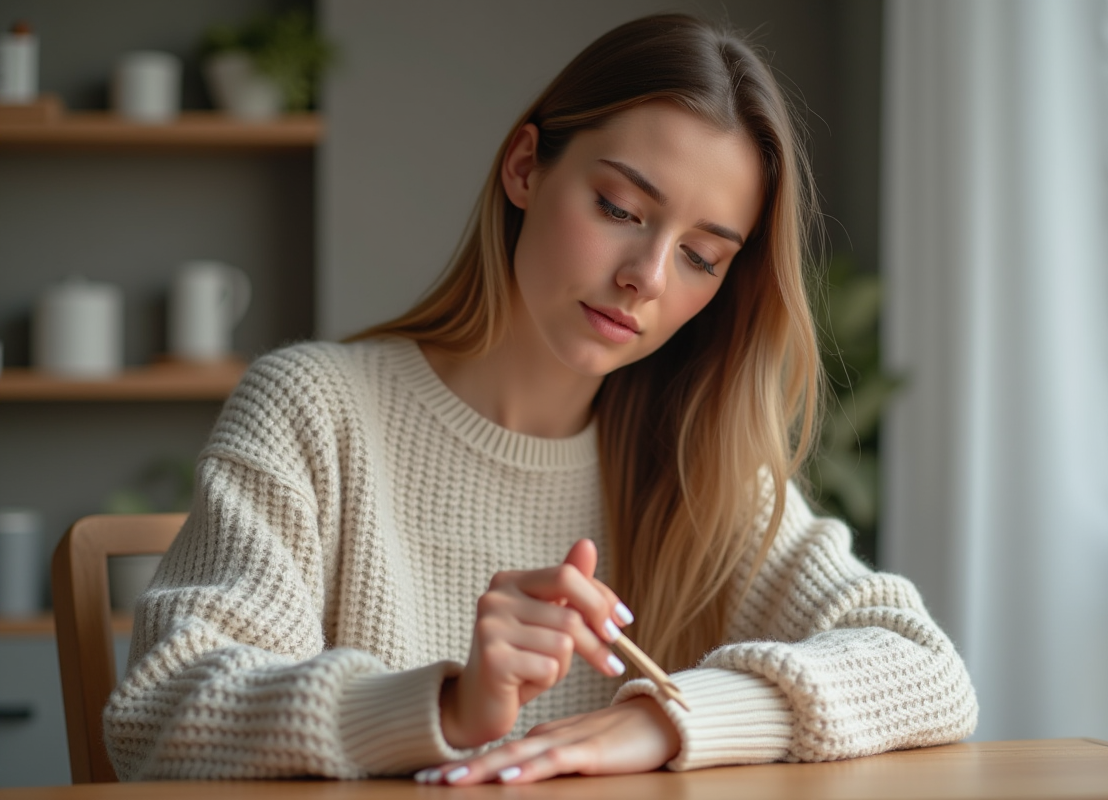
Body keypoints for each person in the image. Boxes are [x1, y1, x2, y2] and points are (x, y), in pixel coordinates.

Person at [104, 13, 978, 785]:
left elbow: (922, 668)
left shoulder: (697, 464)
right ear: (526, 167)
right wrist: (446, 708)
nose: (644, 278)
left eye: (702, 257)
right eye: (619, 207)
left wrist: (667, 719)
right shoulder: (314, 411)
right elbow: (159, 714)